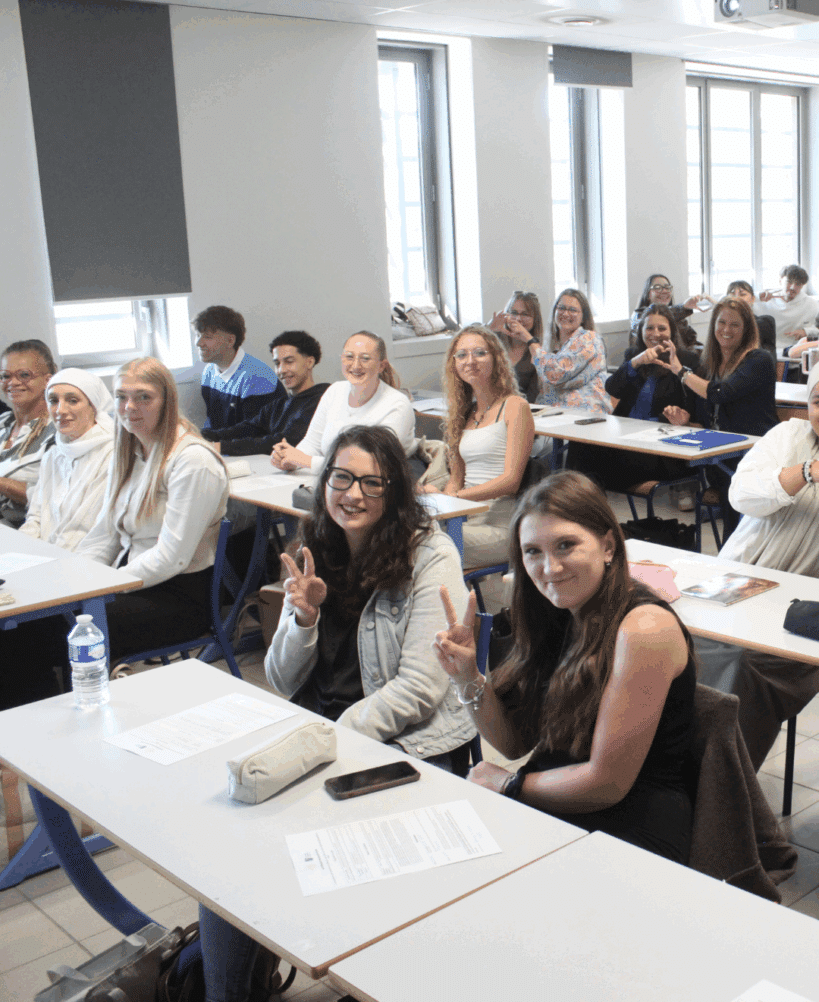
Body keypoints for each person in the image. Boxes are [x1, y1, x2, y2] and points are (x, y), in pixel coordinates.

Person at [198, 424, 476, 1002]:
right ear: (325, 481)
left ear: (397, 492)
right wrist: (301, 620)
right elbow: (278, 679)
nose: (353, 494)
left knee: (316, 847)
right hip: (324, 736)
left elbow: (419, 691)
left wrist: (328, 743)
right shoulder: (314, 546)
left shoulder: (431, 554)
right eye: (342, 478)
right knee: (224, 853)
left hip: (408, 745)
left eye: (373, 484)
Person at [433, 470, 696, 864]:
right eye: (533, 552)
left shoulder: (643, 628)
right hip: (558, 800)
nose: (549, 568)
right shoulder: (557, 616)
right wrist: (467, 677)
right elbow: (513, 742)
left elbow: (607, 784)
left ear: (608, 546)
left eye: (566, 545)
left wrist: (509, 783)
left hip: (630, 827)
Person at [693, 364, 819, 770]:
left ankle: (720, 785)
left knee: (742, 664)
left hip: (801, 610)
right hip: (736, 578)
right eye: (818, 401)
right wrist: (805, 473)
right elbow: (741, 495)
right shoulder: (788, 435)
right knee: (670, 637)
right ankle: (663, 770)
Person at [79, 358, 229, 661]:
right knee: (43, 618)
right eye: (121, 397)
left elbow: (172, 558)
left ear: (167, 402)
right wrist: (78, 581)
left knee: (52, 631)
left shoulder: (192, 462)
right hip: (131, 582)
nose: (129, 407)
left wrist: (107, 586)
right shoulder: (130, 450)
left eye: (144, 397)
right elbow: (105, 534)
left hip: (176, 598)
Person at [660, 297, 777, 539]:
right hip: (723, 457)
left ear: (746, 329)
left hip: (754, 456)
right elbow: (706, 422)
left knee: (733, 494)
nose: (726, 330)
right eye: (721, 322)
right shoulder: (709, 366)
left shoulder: (758, 360)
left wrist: (680, 371)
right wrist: (686, 423)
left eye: (735, 325)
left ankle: (734, 556)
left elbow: (721, 394)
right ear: (713, 326)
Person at [565, 305, 700, 505]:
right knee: (579, 445)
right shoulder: (634, 356)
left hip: (659, 446)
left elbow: (694, 409)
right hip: (627, 438)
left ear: (672, 331)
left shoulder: (687, 360)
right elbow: (613, 388)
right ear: (641, 331)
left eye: (662, 329)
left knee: (592, 466)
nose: (655, 334)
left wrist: (683, 418)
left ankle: (585, 505)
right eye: (649, 328)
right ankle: (577, 504)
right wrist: (635, 363)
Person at [431, 327, 534, 568]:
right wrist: (445, 497)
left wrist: (455, 498)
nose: (470, 361)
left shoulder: (515, 407)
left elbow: (511, 480)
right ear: (454, 364)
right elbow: (456, 480)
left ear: (496, 358)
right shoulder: (463, 414)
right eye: (462, 355)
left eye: (480, 353)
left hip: (500, 524)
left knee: (427, 545)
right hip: (464, 518)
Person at [270, 331, 415, 473]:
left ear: (381, 366)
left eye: (365, 358)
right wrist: (289, 459)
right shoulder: (335, 391)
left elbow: (371, 465)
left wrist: (304, 461)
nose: (356, 365)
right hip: (330, 480)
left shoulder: (398, 404)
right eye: (349, 357)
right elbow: (312, 443)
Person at [20, 369, 115, 551]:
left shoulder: (110, 454)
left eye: (73, 400)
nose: (60, 410)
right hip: (43, 556)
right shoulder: (53, 455)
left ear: (93, 406)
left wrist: (45, 561)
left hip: (84, 560)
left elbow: (83, 530)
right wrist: (21, 551)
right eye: (53, 401)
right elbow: (35, 518)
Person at [201, 331, 329, 456]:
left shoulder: (321, 400)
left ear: (309, 362)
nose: (281, 370)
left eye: (289, 361)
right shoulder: (279, 404)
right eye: (277, 363)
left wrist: (219, 446)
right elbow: (247, 428)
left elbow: (282, 442)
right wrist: (201, 436)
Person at [518, 289, 610, 414]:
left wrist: (529, 340)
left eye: (573, 310)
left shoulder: (589, 339)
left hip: (585, 416)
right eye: (561, 308)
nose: (565, 314)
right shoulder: (551, 347)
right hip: (554, 415)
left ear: (583, 316)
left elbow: (555, 373)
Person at [194, 304, 284, 429]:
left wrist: (212, 444)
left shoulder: (257, 378)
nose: (199, 343)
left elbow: (254, 434)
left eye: (207, 337)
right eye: (198, 335)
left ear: (230, 341)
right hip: (224, 443)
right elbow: (213, 421)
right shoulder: (209, 371)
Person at [0, 339, 57, 528]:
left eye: (24, 375)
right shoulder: (3, 423)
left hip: (28, 532)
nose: (12, 382)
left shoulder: (58, 431)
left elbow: (57, 499)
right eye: (5, 375)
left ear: (48, 380)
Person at [485, 291, 543, 402]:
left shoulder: (537, 351)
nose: (518, 319)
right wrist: (489, 327)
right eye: (514, 313)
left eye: (525, 314)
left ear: (535, 319)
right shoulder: (493, 340)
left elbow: (532, 397)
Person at [629, 274, 703, 350]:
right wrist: (683, 307)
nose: (664, 291)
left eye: (667, 287)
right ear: (648, 294)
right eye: (657, 288)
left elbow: (692, 342)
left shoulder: (678, 317)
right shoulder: (638, 316)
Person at [757, 265, 819, 354]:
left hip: (795, 351)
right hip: (765, 352)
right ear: (780, 280)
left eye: (798, 284)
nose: (792, 287)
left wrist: (806, 331)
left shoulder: (812, 304)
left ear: (802, 286)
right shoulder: (765, 300)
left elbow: (817, 329)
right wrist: (757, 297)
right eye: (789, 282)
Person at [724, 281, 776, 362]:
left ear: (753, 299)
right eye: (732, 294)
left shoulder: (763, 323)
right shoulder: (722, 325)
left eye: (742, 294)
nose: (737, 298)